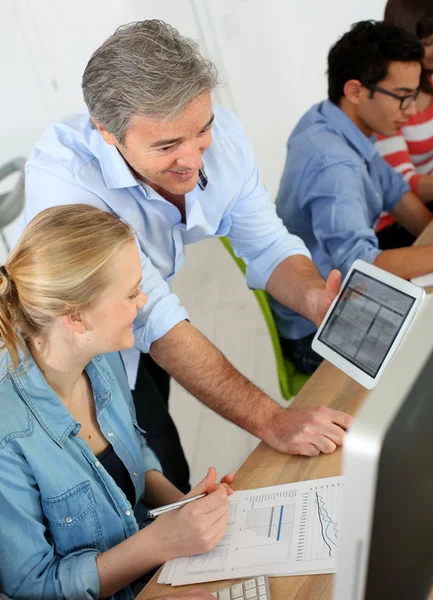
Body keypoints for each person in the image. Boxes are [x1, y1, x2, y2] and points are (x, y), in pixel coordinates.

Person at [21, 19, 352, 481]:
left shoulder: (219, 136)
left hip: (130, 317)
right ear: (106, 132)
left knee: (163, 464)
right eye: (168, 145)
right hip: (81, 350)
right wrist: (271, 420)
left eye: (202, 130)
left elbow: (269, 244)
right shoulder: (68, 184)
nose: (195, 159)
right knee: (149, 475)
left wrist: (314, 297)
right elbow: (155, 319)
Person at [0, 204, 233, 600]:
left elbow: (133, 450)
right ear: (75, 318)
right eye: (129, 293)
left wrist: (181, 508)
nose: (142, 300)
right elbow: (33, 587)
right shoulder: (8, 434)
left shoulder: (100, 353)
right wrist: (161, 542)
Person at [270, 20, 433, 375]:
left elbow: (393, 189)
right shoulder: (332, 162)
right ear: (356, 91)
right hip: (320, 324)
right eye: (403, 96)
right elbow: (362, 267)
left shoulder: (331, 117)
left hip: (346, 290)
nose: (411, 108)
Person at [376, 0, 433, 212]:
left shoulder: (429, 81)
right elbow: (402, 186)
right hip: (400, 218)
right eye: (427, 43)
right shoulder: (386, 100)